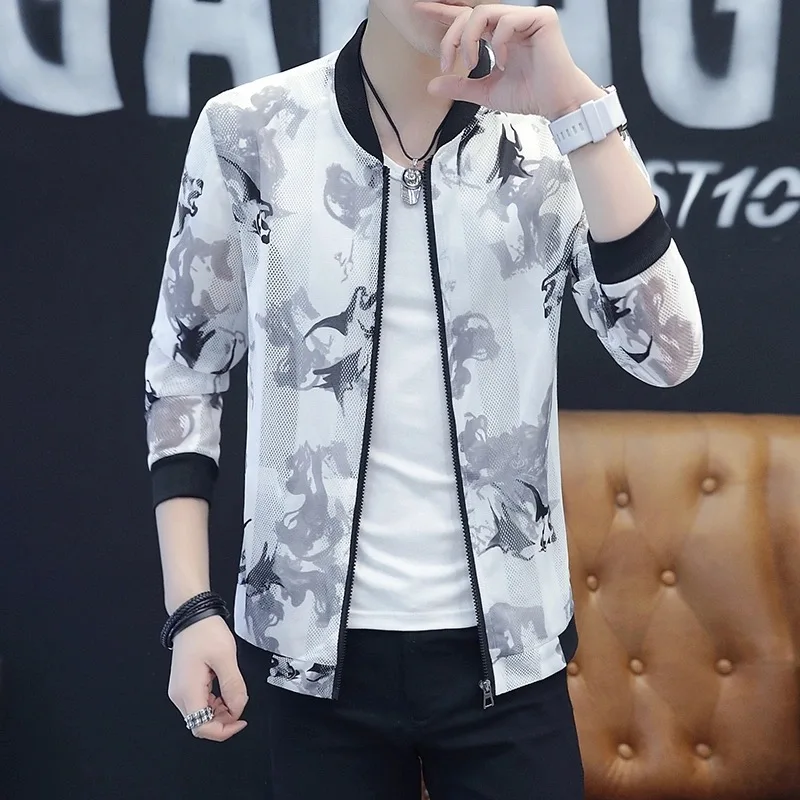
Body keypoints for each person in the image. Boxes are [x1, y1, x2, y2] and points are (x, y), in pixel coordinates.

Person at [144, 2, 703, 798]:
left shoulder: (555, 138)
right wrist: (191, 607)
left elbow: (669, 353)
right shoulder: (250, 130)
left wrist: (579, 113)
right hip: (314, 661)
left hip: (509, 657)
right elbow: (185, 370)